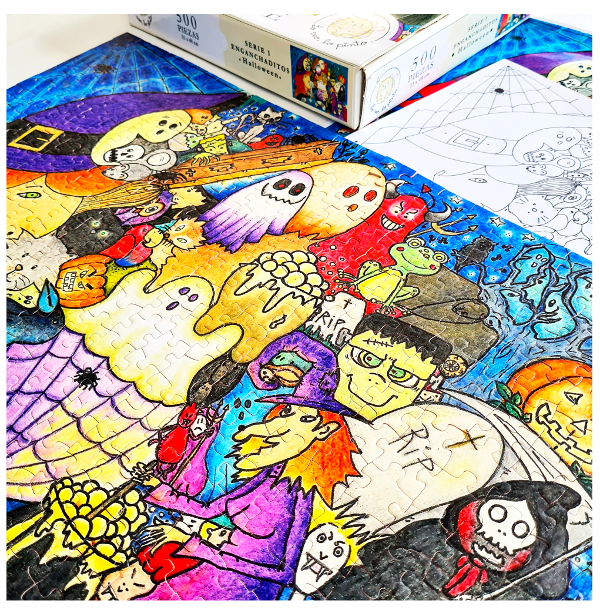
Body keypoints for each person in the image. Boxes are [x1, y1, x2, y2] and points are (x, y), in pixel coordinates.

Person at [136, 396, 359, 600]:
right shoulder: (270, 474)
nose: (284, 423)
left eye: (305, 418)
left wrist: (204, 545)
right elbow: (209, 509)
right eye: (286, 411)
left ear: (324, 430)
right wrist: (159, 490)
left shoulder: (300, 497)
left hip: (239, 591)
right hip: (203, 575)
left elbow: (283, 570)